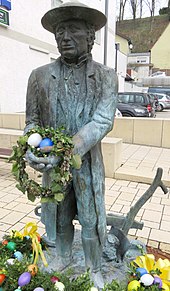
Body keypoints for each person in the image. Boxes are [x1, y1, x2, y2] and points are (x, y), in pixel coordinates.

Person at [24, 2, 118, 289]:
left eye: (73, 30)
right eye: (60, 31)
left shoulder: (106, 76)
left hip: (86, 162)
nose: (64, 37)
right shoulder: (39, 76)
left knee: (89, 217)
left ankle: (94, 267)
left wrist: (69, 149)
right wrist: (32, 148)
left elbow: (103, 120)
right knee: (59, 213)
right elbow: (32, 123)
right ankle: (62, 256)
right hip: (52, 165)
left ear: (90, 36)